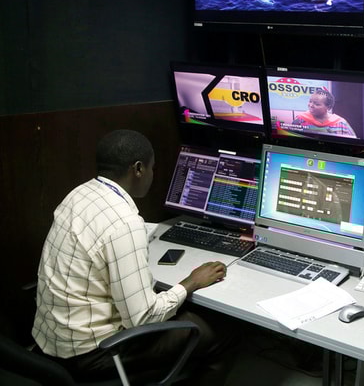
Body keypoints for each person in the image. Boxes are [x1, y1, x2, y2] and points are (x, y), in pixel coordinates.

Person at [32, 129, 236, 383]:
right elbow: (143, 318)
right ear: (138, 169)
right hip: (93, 354)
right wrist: (191, 282)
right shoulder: (124, 223)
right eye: (152, 168)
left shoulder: (78, 194)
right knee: (222, 332)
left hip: (52, 343)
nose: (152, 174)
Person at [292, 89, 357, 137]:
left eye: (317, 104)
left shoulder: (341, 123)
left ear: (328, 107)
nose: (311, 105)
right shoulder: (300, 119)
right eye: (310, 101)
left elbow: (352, 142)